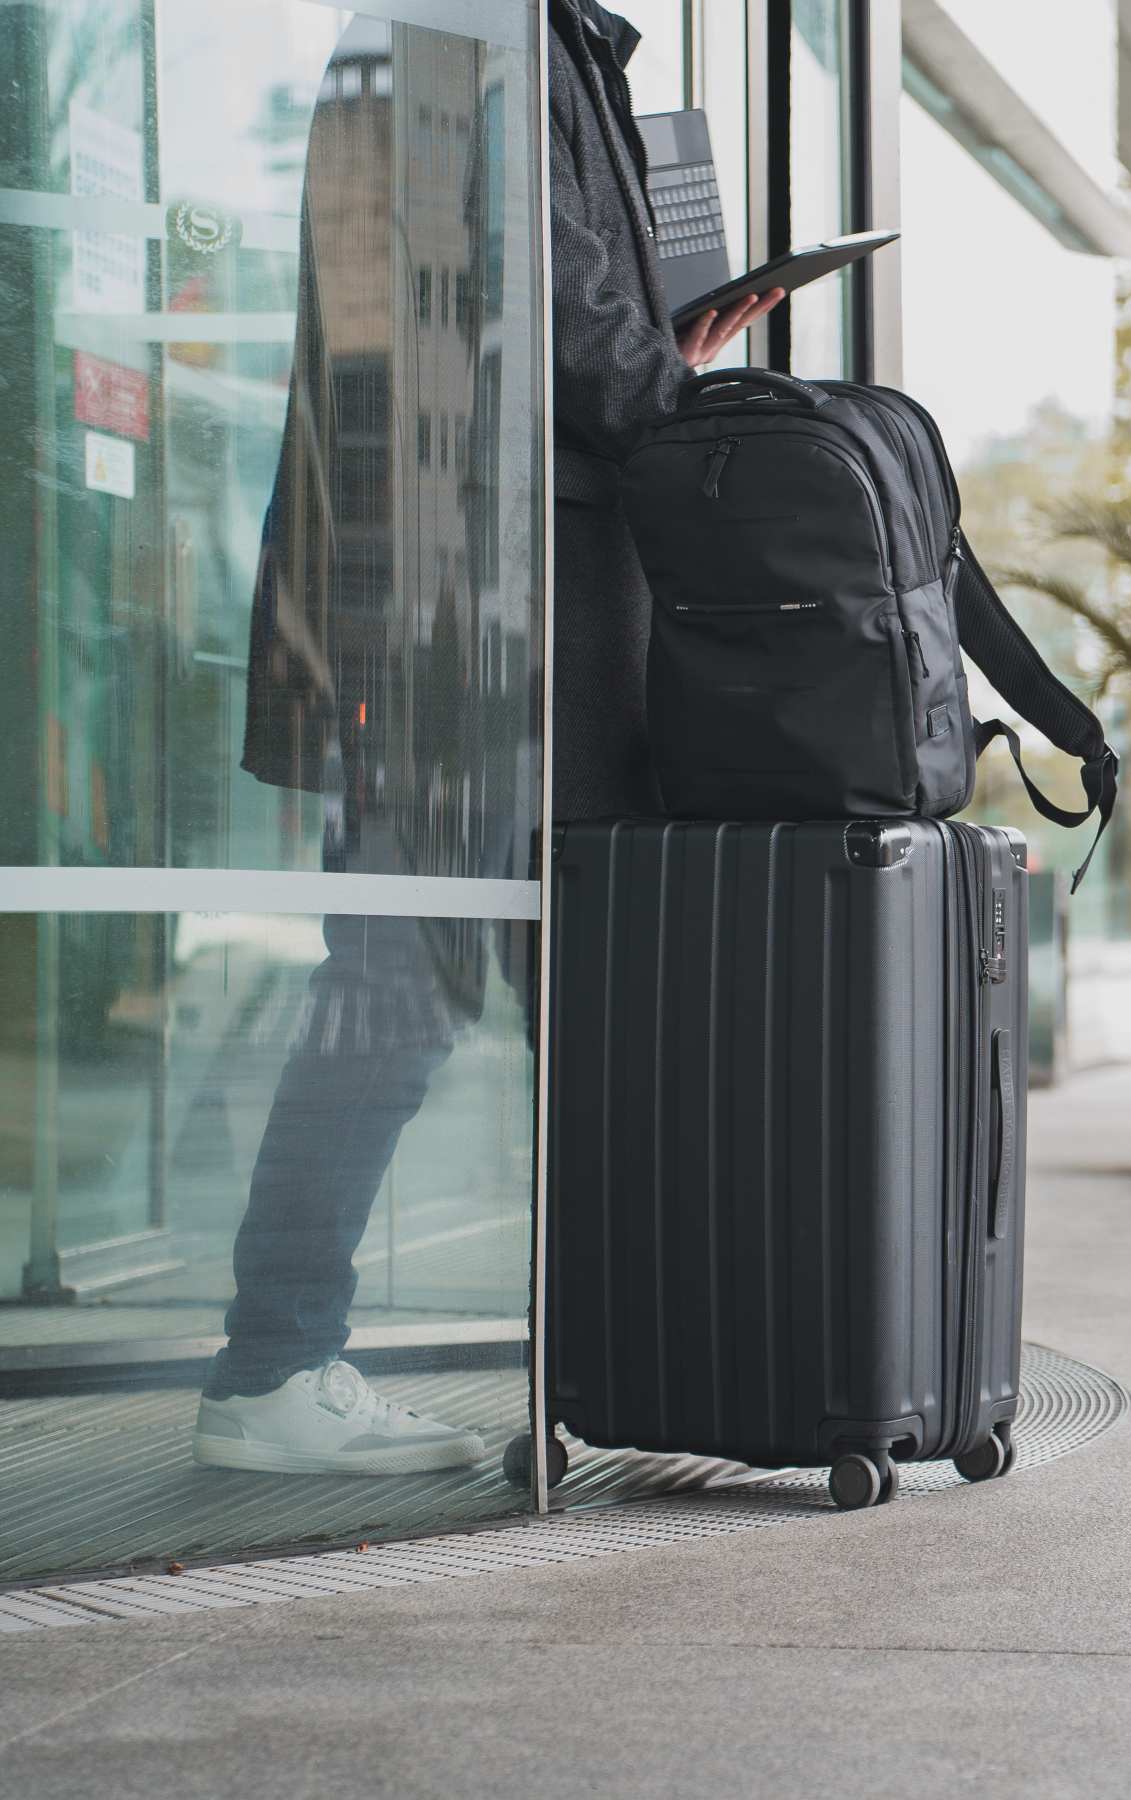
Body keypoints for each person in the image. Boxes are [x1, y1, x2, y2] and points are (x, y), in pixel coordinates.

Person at [198, 0, 781, 1476]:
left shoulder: (546, 32)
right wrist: (689, 404)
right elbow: (524, 272)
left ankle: (608, 1361)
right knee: (403, 983)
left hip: (510, 603)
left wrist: (674, 351)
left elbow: (547, 283)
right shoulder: (474, 16)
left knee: (534, 994)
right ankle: (275, 1367)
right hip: (467, 609)